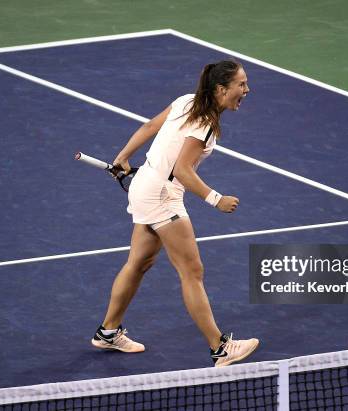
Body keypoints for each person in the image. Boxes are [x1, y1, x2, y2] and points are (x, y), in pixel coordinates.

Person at [91, 60, 258, 367]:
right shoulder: (204, 122)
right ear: (222, 90)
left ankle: (109, 331)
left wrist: (123, 156)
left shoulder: (186, 101)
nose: (246, 90)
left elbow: (148, 127)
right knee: (192, 272)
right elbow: (182, 169)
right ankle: (220, 348)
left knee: (139, 263)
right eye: (241, 85)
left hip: (145, 186)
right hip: (163, 197)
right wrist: (215, 199)